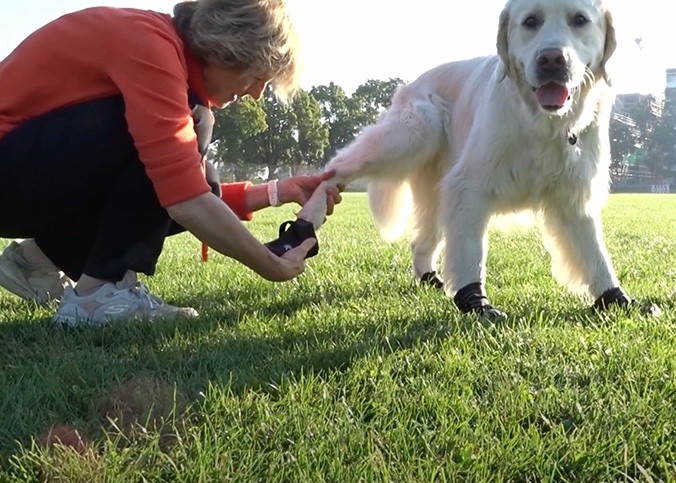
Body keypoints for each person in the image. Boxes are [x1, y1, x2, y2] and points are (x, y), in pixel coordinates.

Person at [0, 0, 341, 326]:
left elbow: (191, 190)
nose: (256, 93)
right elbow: (184, 199)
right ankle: (98, 295)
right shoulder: (150, 45)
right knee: (192, 128)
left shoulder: (160, 46)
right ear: (228, 51)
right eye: (258, 76)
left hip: (20, 171)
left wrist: (277, 191)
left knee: (189, 152)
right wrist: (271, 267)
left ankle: (38, 260)